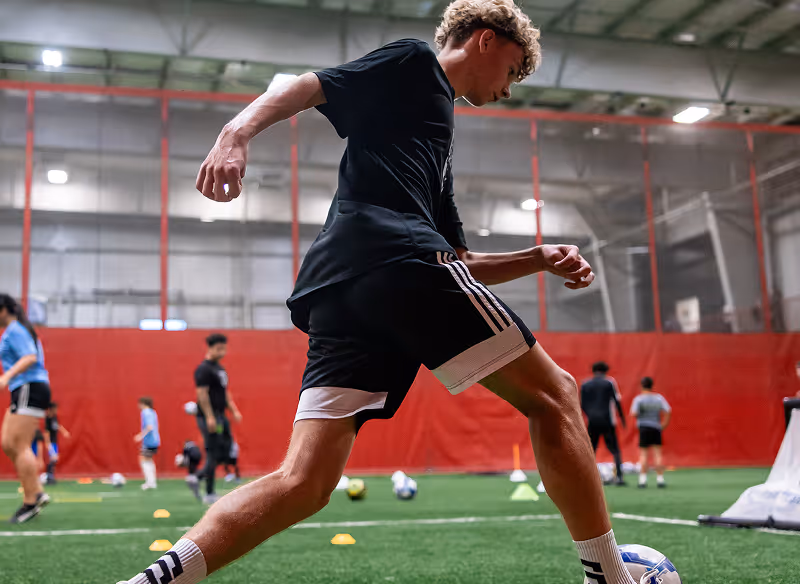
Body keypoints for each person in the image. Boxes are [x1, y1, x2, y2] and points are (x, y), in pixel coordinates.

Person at [117, 2, 640, 583]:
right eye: (514, 71)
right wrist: (234, 133)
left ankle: (154, 581)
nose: (509, 90)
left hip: (345, 287)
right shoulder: (415, 63)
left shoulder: (432, 149)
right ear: (487, 40)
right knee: (555, 395)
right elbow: (308, 86)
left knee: (305, 483)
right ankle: (612, 578)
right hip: (397, 263)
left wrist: (536, 259)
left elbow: (459, 262)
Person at [0, 293, 52, 524]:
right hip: (26, 388)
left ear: (4, 310)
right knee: (9, 443)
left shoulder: (15, 329)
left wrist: (6, 376)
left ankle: (31, 501)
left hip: (29, 387)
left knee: (18, 444)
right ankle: (37, 491)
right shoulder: (17, 329)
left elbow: (30, 357)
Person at [193, 334, 243, 504]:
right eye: (219, 349)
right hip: (210, 417)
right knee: (213, 452)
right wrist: (209, 417)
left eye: (224, 348)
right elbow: (201, 394)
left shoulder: (220, 369)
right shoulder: (203, 369)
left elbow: (225, 393)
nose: (222, 352)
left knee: (226, 449)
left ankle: (197, 476)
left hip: (221, 417)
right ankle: (209, 492)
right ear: (210, 348)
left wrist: (234, 410)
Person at [580, 361, 626, 486]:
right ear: (605, 370)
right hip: (607, 420)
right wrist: (622, 419)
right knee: (615, 450)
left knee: (591, 450)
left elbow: (581, 404)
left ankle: (588, 477)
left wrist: (589, 415)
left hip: (592, 421)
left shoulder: (585, 384)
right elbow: (616, 401)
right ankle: (619, 477)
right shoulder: (609, 382)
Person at [630, 377, 671, 489]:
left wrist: (641, 413)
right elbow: (668, 410)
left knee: (643, 455)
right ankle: (660, 479)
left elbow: (633, 413)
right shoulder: (658, 398)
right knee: (658, 454)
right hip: (656, 427)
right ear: (652, 386)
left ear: (641, 386)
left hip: (644, 428)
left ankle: (642, 480)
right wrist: (664, 425)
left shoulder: (639, 399)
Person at [133, 397, 160, 491]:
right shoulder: (153, 412)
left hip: (150, 440)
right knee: (149, 459)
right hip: (155, 439)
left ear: (143, 404)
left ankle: (150, 482)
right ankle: (152, 481)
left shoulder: (146, 412)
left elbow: (149, 427)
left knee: (143, 459)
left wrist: (140, 436)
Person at [42, 402, 71, 484]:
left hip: (55, 441)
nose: (56, 410)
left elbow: (58, 426)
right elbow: (46, 432)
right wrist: (48, 443)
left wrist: (64, 432)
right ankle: (49, 477)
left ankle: (50, 476)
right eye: (55, 409)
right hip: (50, 442)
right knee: (53, 458)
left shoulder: (54, 418)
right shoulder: (47, 419)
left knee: (54, 459)